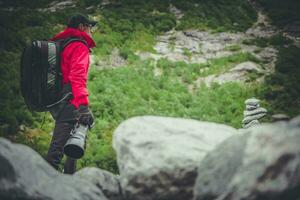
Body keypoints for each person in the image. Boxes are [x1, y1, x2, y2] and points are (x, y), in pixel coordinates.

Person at [45, 14, 97, 174]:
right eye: (90, 27)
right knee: (59, 148)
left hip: (57, 100)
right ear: (82, 27)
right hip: (71, 101)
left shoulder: (60, 43)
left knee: (72, 144)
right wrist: (83, 105)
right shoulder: (78, 45)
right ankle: (42, 183)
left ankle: (69, 180)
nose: (91, 31)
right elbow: (77, 76)